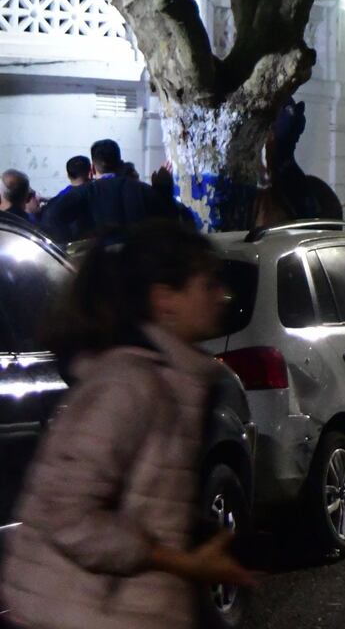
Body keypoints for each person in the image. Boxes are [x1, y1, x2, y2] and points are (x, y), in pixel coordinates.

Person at [0, 220, 255, 629]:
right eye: (207, 284)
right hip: (74, 614)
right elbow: (66, 511)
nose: (222, 296)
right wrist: (177, 559)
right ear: (164, 299)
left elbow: (145, 500)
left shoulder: (174, 380)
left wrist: (195, 539)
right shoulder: (129, 384)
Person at [41, 139, 178, 244]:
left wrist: (72, 245)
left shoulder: (85, 193)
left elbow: (51, 216)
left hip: (101, 268)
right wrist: (163, 188)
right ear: (120, 164)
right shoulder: (142, 190)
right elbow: (169, 219)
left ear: (93, 169)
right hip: (138, 266)